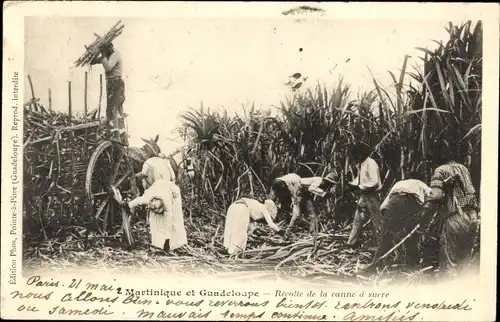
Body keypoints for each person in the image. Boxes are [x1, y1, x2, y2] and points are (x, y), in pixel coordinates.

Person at [425, 161, 478, 275]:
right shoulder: (463, 168)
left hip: (456, 216)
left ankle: (449, 289)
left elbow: (436, 195)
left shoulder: (440, 170)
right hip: (472, 216)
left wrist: (425, 203)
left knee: (449, 260)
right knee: (464, 261)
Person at [372, 178, 432, 267]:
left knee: (387, 236)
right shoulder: (420, 183)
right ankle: (411, 264)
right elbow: (433, 197)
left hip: (394, 202)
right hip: (409, 202)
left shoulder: (398, 184)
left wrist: (389, 223)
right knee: (411, 235)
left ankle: (375, 263)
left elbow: (384, 207)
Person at [117, 178, 188, 252]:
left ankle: (174, 244)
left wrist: (167, 241)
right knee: (155, 223)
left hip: (173, 193)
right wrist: (128, 205)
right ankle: (157, 245)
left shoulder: (168, 203)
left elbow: (168, 223)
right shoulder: (148, 197)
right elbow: (139, 200)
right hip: (158, 188)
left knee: (175, 220)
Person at [269, 172, 337, 237]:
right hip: (299, 190)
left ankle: (313, 232)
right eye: (330, 183)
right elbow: (311, 188)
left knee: (313, 212)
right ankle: (288, 232)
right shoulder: (319, 180)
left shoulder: (322, 183)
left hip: (303, 192)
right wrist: (324, 194)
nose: (330, 185)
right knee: (297, 213)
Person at [346, 143, 383, 247]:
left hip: (372, 196)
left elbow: (374, 182)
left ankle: (381, 245)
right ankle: (351, 243)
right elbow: (359, 179)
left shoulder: (371, 163)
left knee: (377, 221)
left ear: (361, 153)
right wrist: (350, 185)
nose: (355, 157)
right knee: (357, 219)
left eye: (356, 155)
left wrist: (358, 187)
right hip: (364, 197)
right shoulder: (362, 164)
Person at [90, 41, 126, 144]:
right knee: (117, 109)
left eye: (106, 50)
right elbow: (94, 61)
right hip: (113, 83)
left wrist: (103, 55)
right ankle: (122, 136)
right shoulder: (109, 57)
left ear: (111, 48)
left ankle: (116, 135)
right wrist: (96, 55)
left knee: (112, 109)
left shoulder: (115, 55)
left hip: (115, 83)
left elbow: (108, 67)